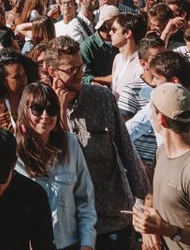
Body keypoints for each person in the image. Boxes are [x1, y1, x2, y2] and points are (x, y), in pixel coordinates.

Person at [45, 37, 148, 250]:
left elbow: (127, 150)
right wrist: (60, 113)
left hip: (110, 214)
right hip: (70, 221)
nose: (79, 75)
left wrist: (143, 202)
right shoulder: (42, 109)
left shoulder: (101, 98)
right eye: (71, 71)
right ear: (53, 72)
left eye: (80, 67)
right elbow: (63, 161)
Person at [130, 83, 190, 250]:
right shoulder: (162, 152)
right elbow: (155, 195)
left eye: (152, 109)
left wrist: (166, 229)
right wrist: (148, 225)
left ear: (161, 119)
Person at [14, 82, 96, 250]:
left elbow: (85, 198)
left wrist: (88, 243)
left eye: (51, 109)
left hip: (68, 243)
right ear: (25, 110)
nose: (45, 116)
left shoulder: (71, 144)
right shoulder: (13, 152)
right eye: (37, 109)